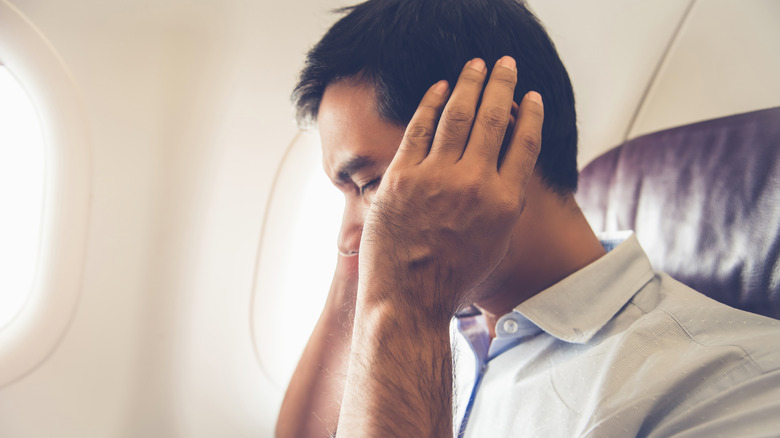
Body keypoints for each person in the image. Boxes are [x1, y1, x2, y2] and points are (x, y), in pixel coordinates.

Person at [276, 0, 780, 436]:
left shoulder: (731, 381)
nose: (347, 235)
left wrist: (407, 297)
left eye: (369, 184)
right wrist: (365, 274)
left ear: (493, 139)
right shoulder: (440, 327)